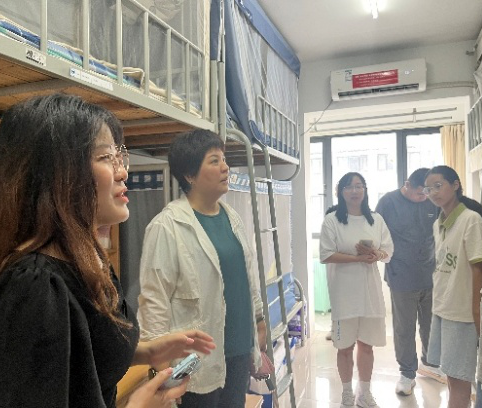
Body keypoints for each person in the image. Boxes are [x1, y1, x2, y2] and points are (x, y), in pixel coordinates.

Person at [0, 94, 215, 408]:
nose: (123, 171)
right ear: (58, 173)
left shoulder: (86, 258)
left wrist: (146, 351)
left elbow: (82, 357)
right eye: (104, 157)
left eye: (119, 156)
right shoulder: (33, 287)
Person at [137, 129, 267, 408]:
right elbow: (154, 301)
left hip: (238, 351)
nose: (225, 167)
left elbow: (247, 277)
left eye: (224, 159)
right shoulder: (167, 226)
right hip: (194, 362)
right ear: (190, 175)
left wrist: (259, 320)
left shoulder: (232, 218)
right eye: (214, 161)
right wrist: (162, 370)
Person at [319, 172, 394, 408]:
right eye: (349, 187)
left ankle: (365, 393)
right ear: (341, 192)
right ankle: (346, 393)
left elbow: (388, 251)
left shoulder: (376, 219)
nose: (355, 191)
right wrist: (357, 258)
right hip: (343, 294)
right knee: (344, 347)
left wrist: (376, 254)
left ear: (365, 190)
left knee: (367, 345)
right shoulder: (332, 220)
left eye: (359, 186)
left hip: (369, 293)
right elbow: (326, 255)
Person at [375, 168, 446, 395]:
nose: (425, 197)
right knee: (404, 328)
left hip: (430, 274)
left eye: (428, 193)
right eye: (420, 193)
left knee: (431, 325)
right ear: (407, 185)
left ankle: (431, 363)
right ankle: (407, 373)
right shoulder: (388, 202)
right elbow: (375, 232)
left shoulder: (431, 201)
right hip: (401, 277)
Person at [423, 165, 482, 408]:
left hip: (462, 313)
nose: (433, 193)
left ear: (455, 185)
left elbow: (477, 267)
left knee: (460, 381)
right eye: (428, 189)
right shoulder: (438, 223)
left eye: (438, 186)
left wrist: (475, 311)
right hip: (442, 308)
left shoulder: (471, 219)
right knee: (451, 376)